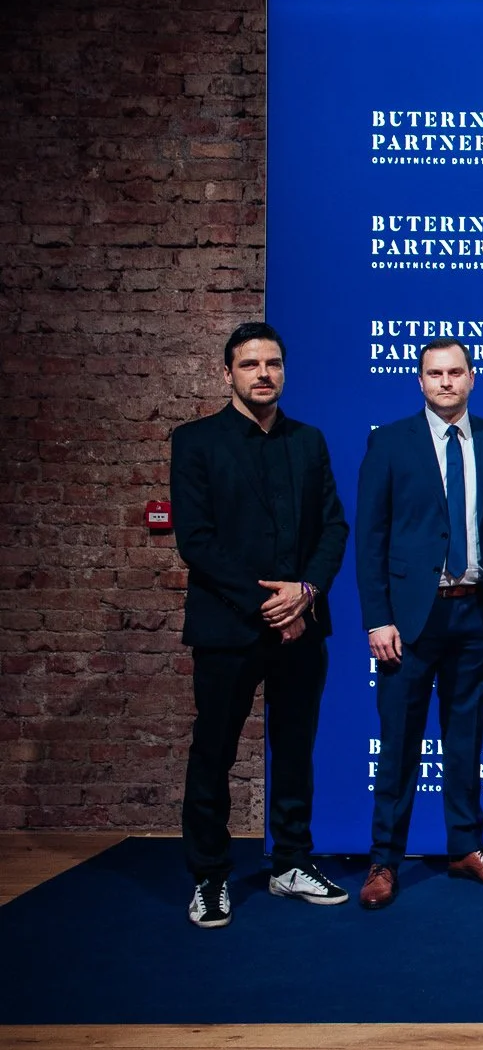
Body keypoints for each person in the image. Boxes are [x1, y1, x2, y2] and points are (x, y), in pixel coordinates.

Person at [170, 321, 350, 928]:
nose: (263, 374)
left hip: (303, 626)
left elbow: (333, 527)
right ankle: (209, 876)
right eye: (250, 365)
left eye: (272, 363)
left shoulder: (309, 441)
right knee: (214, 752)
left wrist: (306, 592)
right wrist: (266, 604)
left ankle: (291, 863)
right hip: (228, 629)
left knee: (295, 749)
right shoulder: (195, 442)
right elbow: (197, 541)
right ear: (228, 374)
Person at [354, 338, 483, 911]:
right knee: (399, 742)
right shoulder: (389, 441)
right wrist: (378, 618)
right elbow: (371, 537)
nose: (446, 382)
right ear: (420, 381)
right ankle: (384, 859)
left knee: (467, 738)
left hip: (478, 614)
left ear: (472, 378)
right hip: (408, 621)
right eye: (435, 373)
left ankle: (466, 847)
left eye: (455, 372)